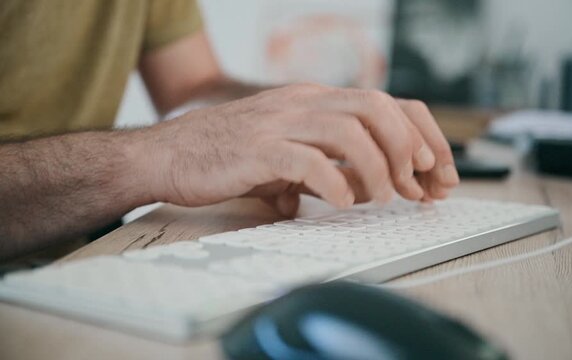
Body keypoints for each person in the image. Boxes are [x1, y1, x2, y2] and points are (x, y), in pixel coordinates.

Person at [0, 0, 459, 261]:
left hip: (79, 263)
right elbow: (176, 138)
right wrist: (159, 156)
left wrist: (309, 112)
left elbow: (192, 86)